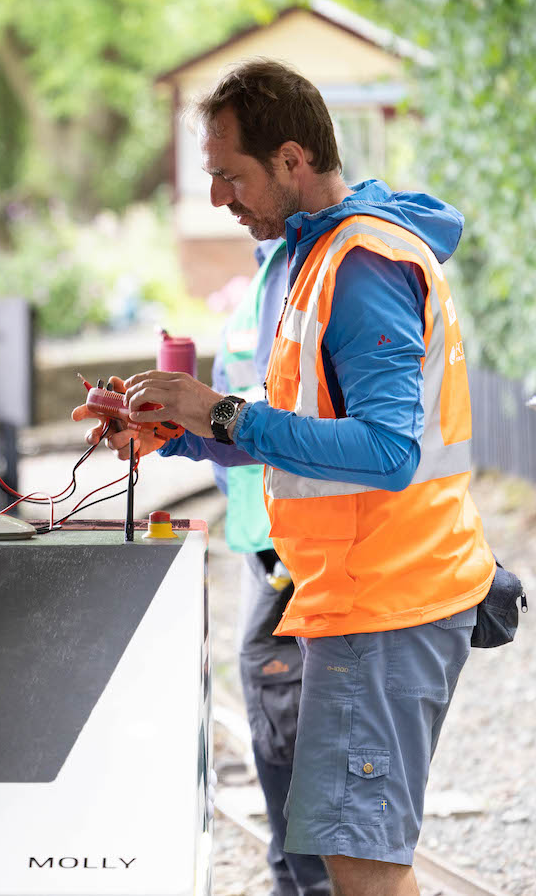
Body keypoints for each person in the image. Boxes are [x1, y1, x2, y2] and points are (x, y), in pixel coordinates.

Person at [78, 58, 494, 896]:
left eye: (229, 176)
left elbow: (387, 453)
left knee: (361, 866)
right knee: (359, 859)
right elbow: (300, 432)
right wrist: (181, 435)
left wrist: (220, 415)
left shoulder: (362, 264)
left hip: (384, 598)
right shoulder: (322, 255)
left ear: (293, 160)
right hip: (364, 593)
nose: (218, 199)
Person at [212, 239, 330, 896]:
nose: (220, 195)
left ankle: (307, 881)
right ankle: (296, 876)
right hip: (263, 530)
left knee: (292, 705)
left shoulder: (316, 264)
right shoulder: (265, 272)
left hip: (297, 536)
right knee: (275, 700)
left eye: (231, 176)